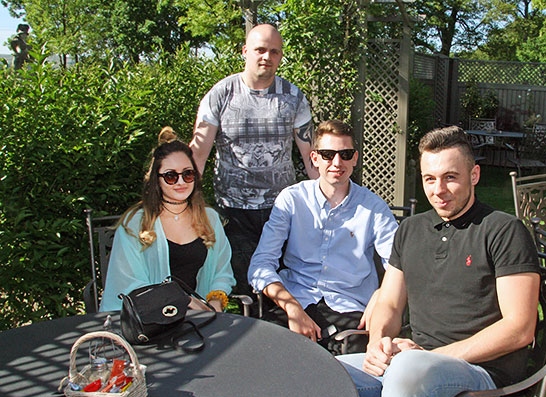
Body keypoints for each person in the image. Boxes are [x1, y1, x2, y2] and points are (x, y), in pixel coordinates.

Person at [337, 126, 541, 397]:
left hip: (481, 385)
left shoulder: (503, 231)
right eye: (429, 179)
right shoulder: (409, 229)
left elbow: (520, 327)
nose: (438, 190)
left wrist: (432, 358)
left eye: (450, 177)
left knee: (409, 379)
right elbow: (390, 303)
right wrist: (377, 345)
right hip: (409, 366)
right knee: (319, 377)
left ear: (474, 175)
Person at [190, 24, 319, 309]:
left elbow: (311, 157)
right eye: (260, 49)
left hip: (282, 212)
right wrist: (190, 205)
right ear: (245, 51)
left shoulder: (293, 97)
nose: (266, 57)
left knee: (283, 292)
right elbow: (198, 155)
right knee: (242, 293)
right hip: (233, 214)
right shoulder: (221, 94)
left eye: (274, 51)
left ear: (280, 56)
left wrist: (329, 202)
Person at [248, 120, 398, 354]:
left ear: (355, 158)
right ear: (314, 158)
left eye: (345, 154)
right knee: (264, 354)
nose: (337, 163)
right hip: (295, 301)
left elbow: (398, 267)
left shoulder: (374, 208)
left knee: (356, 370)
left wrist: (380, 296)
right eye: (328, 154)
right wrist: (293, 308)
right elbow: (260, 266)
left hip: (350, 310)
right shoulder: (292, 200)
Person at [100, 127, 235, 312]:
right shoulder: (135, 224)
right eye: (171, 176)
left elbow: (222, 272)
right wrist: (182, 300)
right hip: (150, 323)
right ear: (157, 179)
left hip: (199, 321)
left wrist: (215, 302)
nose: (181, 182)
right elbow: (130, 286)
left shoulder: (209, 218)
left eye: (188, 174)